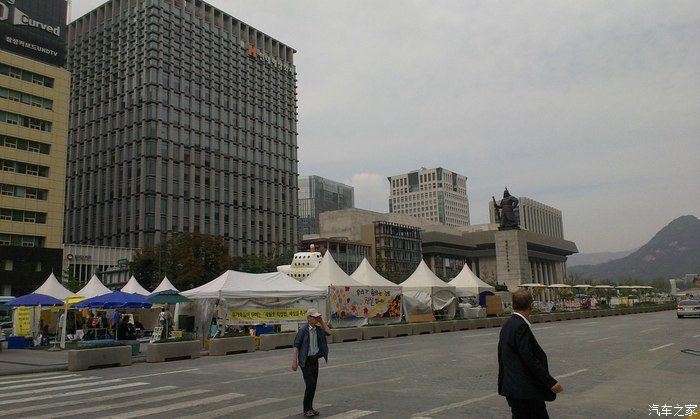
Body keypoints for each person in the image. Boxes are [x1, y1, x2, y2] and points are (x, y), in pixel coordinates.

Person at [498, 290, 563, 418]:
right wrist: (550, 382)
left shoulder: (507, 325)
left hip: (512, 389)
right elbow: (528, 358)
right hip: (525, 391)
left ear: (513, 305)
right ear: (531, 306)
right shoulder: (521, 326)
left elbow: (502, 357)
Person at [292, 308, 332, 417]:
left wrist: (322, 321)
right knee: (310, 384)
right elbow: (296, 346)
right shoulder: (303, 330)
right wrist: (294, 361)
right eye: (314, 317)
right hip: (306, 361)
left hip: (315, 360)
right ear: (308, 318)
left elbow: (329, 332)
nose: (316, 319)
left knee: (313, 385)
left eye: (317, 317)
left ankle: (310, 408)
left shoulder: (318, 329)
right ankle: (306, 409)